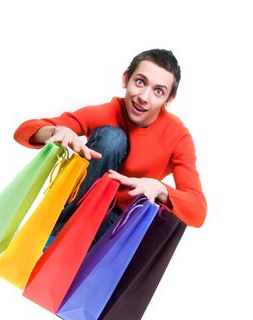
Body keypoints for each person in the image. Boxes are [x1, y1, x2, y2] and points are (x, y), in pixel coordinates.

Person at [14, 49, 207, 247]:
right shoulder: (106, 112)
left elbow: (197, 212)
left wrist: (160, 189)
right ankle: (55, 238)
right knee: (112, 138)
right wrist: (57, 131)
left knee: (155, 221)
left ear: (169, 100)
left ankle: (85, 255)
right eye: (140, 82)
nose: (144, 97)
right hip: (77, 210)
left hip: (120, 223)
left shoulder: (177, 136)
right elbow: (23, 131)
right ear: (126, 79)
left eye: (158, 91)